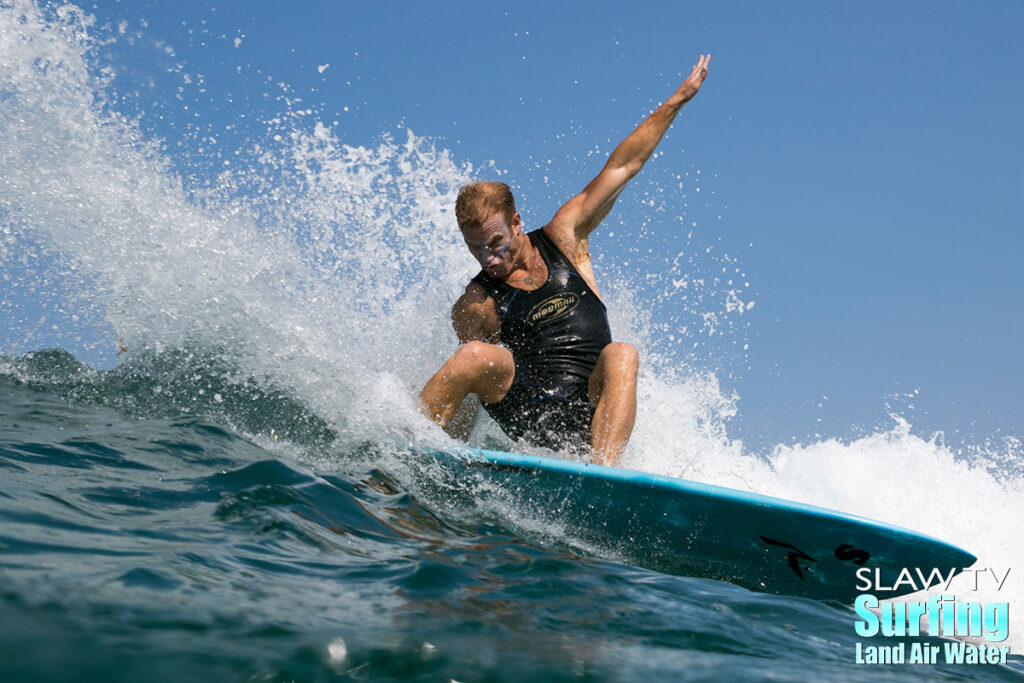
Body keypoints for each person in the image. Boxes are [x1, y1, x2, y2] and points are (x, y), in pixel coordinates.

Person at [420, 54, 710, 466]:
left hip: (591, 414)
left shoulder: (565, 238)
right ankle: (413, 454)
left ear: (517, 221)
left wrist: (678, 99)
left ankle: (604, 478)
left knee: (623, 353)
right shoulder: (480, 298)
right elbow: (468, 383)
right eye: (475, 249)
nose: (488, 258)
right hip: (529, 412)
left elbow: (624, 166)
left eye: (495, 242)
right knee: (472, 357)